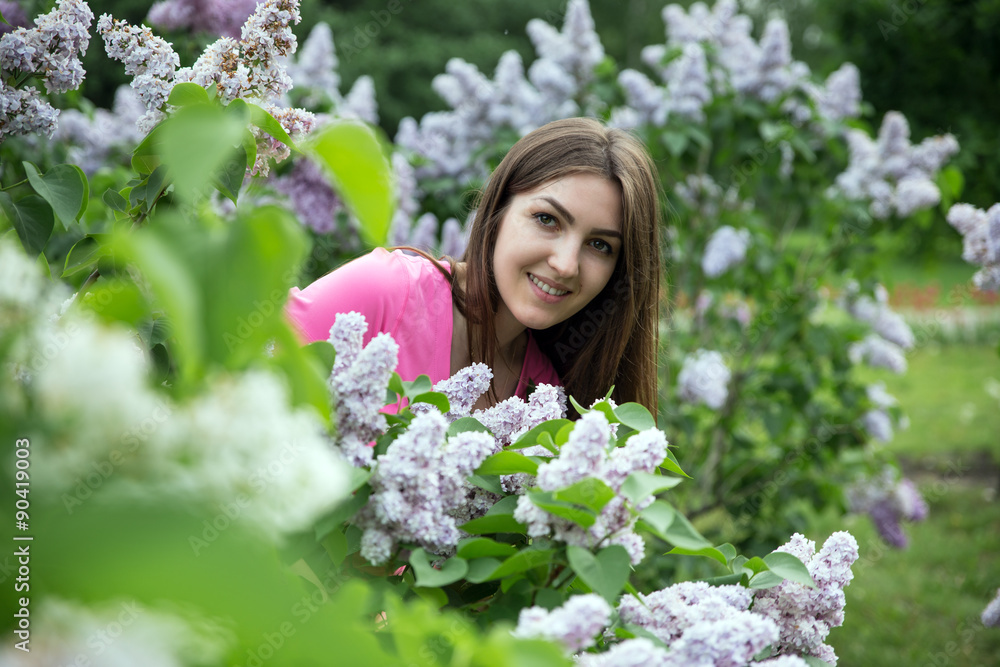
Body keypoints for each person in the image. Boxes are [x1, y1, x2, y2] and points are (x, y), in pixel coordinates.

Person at [286, 117, 662, 415]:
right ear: (498, 210)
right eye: (548, 220)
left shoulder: (545, 399)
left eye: (599, 245)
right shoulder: (385, 291)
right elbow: (244, 373)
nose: (565, 265)